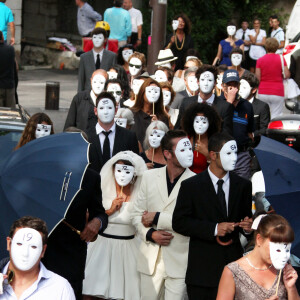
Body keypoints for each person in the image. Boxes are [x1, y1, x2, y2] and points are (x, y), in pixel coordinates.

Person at [172, 132, 253, 300]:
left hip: (234, 267)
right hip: (202, 270)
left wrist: (247, 227)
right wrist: (214, 229)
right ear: (213, 155)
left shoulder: (243, 185)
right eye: (228, 153)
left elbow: (246, 220)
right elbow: (179, 222)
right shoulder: (191, 186)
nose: (234, 158)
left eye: (235, 153)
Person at [131, 130, 195, 300]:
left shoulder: (197, 182)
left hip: (180, 263)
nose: (189, 153)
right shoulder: (148, 177)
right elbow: (136, 215)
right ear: (167, 153)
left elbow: (193, 222)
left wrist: (157, 217)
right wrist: (150, 234)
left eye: (190, 148)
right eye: (182, 149)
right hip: (150, 261)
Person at [43, 137, 108, 299]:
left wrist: (97, 222)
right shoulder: (42, 174)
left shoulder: (91, 177)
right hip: (41, 254)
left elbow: (100, 213)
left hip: (71, 256)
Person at [82, 151, 147, 300]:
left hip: (128, 247)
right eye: (118, 170)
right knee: (91, 290)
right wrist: (110, 210)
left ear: (135, 174)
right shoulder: (102, 190)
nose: (122, 175)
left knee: (125, 291)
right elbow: (89, 216)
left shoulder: (140, 195)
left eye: (127, 171)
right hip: (101, 247)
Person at [217, 214, 300, 300]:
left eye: (286, 250)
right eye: (278, 249)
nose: (282, 256)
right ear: (259, 239)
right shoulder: (233, 271)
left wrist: (291, 287)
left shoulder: (284, 268)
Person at [0, 216, 75, 299]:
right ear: (9, 244)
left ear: (43, 251)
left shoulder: (61, 288)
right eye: (19, 244)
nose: (25, 253)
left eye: (33, 247)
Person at [175, 64, 234, 136]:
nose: (206, 84)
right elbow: (178, 130)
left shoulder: (225, 107)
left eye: (209, 80)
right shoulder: (186, 103)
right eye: (202, 80)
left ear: (215, 83)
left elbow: (226, 135)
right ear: (198, 82)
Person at [88, 92, 139, 172]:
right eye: (101, 108)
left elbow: (135, 166)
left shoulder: (129, 137)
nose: (106, 112)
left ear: (115, 110)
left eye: (109, 108)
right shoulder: (86, 137)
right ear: (95, 111)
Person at [222, 69, 254, 180]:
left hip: (241, 155)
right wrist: (229, 103)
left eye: (235, 85)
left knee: (242, 189)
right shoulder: (218, 104)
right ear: (223, 87)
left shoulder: (247, 106)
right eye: (229, 85)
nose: (232, 89)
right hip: (222, 154)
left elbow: (250, 132)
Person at [255, 38, 290, 119]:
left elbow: (257, 77)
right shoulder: (281, 59)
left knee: (263, 116)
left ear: (266, 47)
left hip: (263, 91)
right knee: (276, 116)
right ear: (277, 47)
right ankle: (274, 131)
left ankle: (264, 131)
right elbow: (287, 74)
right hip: (277, 91)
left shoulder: (260, 60)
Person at [182, 103, 221, 174]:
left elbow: (220, 167)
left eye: (204, 122)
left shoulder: (216, 142)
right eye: (197, 121)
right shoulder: (185, 139)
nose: (200, 125)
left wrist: (207, 155)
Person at [130, 77, 169, 147]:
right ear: (142, 92)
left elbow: (166, 142)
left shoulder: (163, 117)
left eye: (156, 91)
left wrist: (159, 125)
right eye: (150, 91)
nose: (153, 94)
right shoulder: (132, 114)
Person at [78, 27, 116, 92]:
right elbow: (81, 80)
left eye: (100, 38)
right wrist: (79, 98)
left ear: (105, 40)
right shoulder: (84, 57)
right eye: (94, 37)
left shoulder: (111, 56)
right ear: (91, 39)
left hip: (105, 93)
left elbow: (113, 78)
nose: (97, 40)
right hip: (88, 93)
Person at [240, 72, 270, 137]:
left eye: (244, 88)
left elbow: (264, 129)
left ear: (253, 90)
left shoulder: (262, 106)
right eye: (239, 86)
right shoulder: (234, 103)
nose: (240, 90)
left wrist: (252, 135)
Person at [0, 30, 15, 108]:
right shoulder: (10, 49)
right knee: (11, 112)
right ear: (2, 38)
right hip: (9, 85)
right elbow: (15, 67)